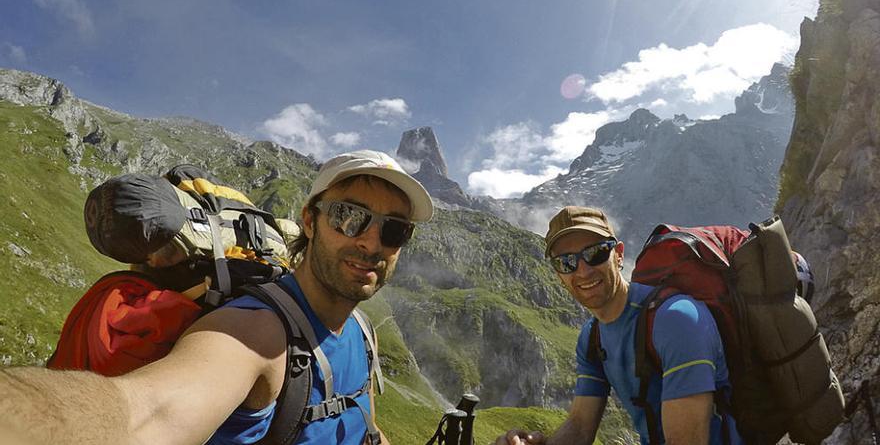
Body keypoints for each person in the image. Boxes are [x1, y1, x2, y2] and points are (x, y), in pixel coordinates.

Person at [0, 149, 434, 445]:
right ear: (309, 219)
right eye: (349, 217)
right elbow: (146, 412)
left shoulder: (361, 332)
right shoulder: (254, 334)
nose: (372, 242)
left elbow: (367, 430)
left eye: (395, 229)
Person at [495, 206, 741, 445]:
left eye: (595, 253)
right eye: (566, 263)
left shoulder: (676, 320)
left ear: (619, 254)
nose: (583, 271)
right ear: (559, 275)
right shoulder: (592, 336)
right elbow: (580, 428)